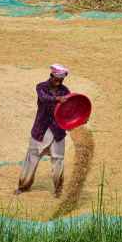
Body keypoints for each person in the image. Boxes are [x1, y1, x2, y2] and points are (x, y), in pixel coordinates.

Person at [16, 64, 71, 196]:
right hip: (41, 129)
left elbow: (70, 109)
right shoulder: (41, 87)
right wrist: (58, 99)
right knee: (32, 158)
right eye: (56, 79)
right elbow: (44, 98)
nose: (59, 82)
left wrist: (79, 118)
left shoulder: (66, 91)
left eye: (61, 80)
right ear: (51, 76)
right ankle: (23, 186)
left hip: (57, 131)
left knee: (58, 160)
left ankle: (58, 189)